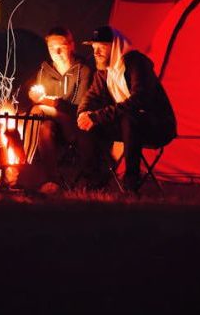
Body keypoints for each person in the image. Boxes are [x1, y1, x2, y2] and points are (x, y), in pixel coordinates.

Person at [77, 25, 177, 192]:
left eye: (101, 47)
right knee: (86, 126)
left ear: (115, 46)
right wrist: (83, 114)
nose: (96, 53)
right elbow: (91, 96)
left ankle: (131, 182)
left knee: (129, 119)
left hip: (156, 125)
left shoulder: (137, 63)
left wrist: (97, 116)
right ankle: (95, 180)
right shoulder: (104, 72)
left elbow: (139, 100)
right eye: (94, 48)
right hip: (127, 125)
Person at [19, 26, 92, 192]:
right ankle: (52, 181)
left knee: (38, 110)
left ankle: (24, 163)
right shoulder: (45, 70)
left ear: (72, 45)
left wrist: (50, 103)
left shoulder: (83, 70)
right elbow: (33, 95)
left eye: (61, 47)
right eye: (51, 48)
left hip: (75, 125)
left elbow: (80, 107)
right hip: (52, 127)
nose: (56, 52)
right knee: (44, 127)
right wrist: (35, 96)